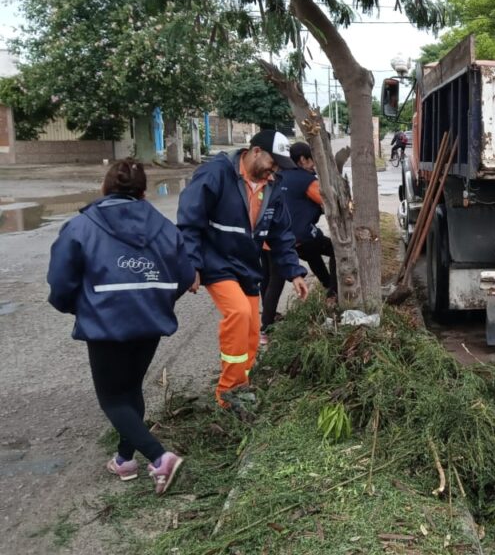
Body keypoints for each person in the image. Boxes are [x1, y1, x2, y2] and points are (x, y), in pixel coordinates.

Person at [47, 160, 192, 494]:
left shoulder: (80, 227)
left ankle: (160, 458)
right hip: (150, 321)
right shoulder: (165, 227)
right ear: (143, 192)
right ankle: (125, 459)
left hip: (106, 323)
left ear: (105, 187)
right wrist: (157, 299)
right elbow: (185, 275)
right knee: (130, 390)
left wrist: (79, 307)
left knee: (112, 399)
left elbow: (60, 282)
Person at [177, 129, 309, 411]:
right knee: (238, 313)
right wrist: (192, 264)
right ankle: (229, 393)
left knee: (251, 330)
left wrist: (294, 272)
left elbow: (281, 234)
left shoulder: (272, 187)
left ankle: (242, 384)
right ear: (256, 152)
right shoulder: (216, 174)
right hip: (217, 261)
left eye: (279, 167)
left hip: (247, 265)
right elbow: (190, 221)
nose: (274, 172)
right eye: (272, 163)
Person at [260, 141, 338, 343]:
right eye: (312, 160)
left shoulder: (276, 176)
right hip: (294, 237)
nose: (314, 165)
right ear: (303, 159)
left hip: (267, 237)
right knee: (334, 249)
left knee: (270, 278)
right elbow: (329, 202)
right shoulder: (307, 180)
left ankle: (268, 321)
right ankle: (332, 290)